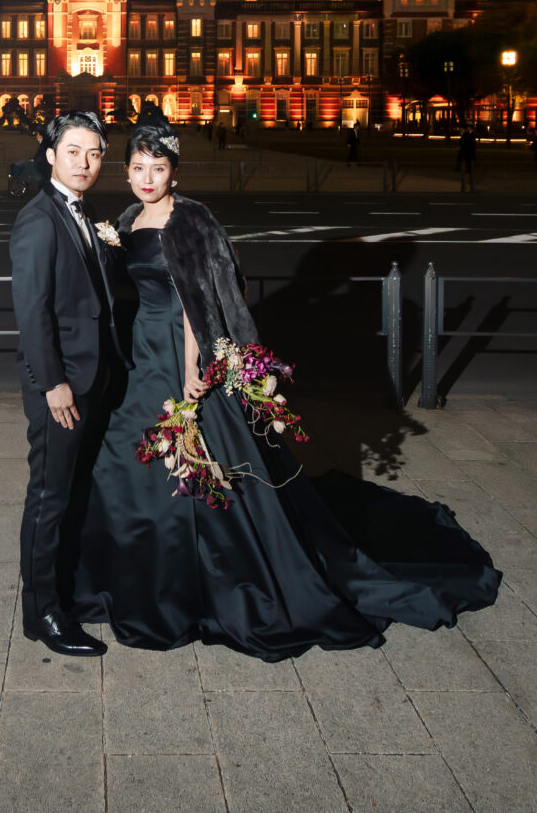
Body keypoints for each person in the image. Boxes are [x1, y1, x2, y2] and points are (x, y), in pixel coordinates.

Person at [71, 123, 500, 661]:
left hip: (179, 353)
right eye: (138, 168)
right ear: (127, 171)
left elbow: (199, 298)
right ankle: (136, 576)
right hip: (139, 353)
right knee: (129, 465)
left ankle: (199, 584)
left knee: (200, 463)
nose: (147, 178)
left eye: (158, 168)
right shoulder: (128, 220)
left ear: (175, 172)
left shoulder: (191, 219)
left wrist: (194, 365)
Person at [9, 111, 130, 657]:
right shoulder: (39, 220)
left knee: (75, 492)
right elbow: (32, 311)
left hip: (91, 377)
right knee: (49, 499)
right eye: (74, 151)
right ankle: (41, 614)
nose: (84, 162)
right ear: (51, 155)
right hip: (60, 389)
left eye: (94, 154)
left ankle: (65, 594)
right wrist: (53, 384)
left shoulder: (83, 211)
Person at [456, 123, 477, 192]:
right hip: (469, 155)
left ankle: (465, 187)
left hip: (466, 155)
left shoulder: (465, 136)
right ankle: (470, 187)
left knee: (466, 172)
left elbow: (463, 145)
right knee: (470, 172)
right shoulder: (470, 136)